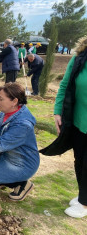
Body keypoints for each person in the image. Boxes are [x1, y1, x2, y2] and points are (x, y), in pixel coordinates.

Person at [42, 36, 87, 218]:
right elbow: (64, 86)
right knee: (79, 160)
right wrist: (58, 111)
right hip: (77, 120)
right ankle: (83, 195)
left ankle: (84, 204)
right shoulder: (79, 60)